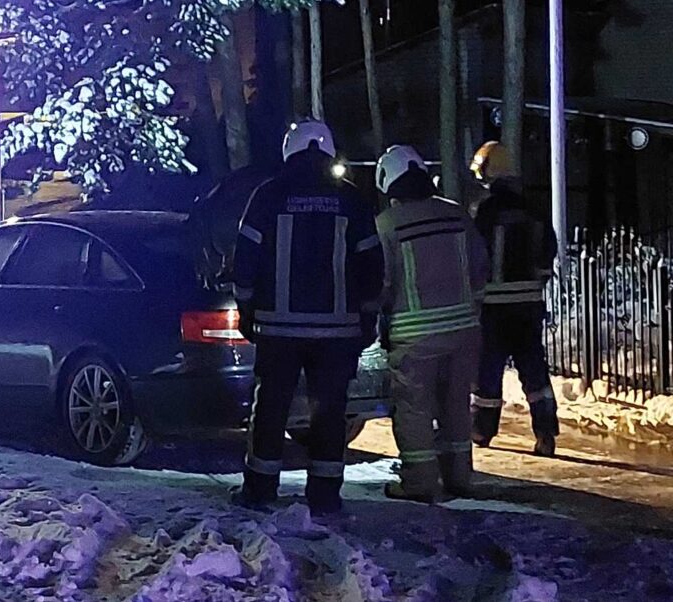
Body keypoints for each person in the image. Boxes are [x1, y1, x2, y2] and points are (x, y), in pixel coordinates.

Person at [231, 120, 383, 513]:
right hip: (337, 331)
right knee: (330, 411)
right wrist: (368, 315)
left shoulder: (268, 195)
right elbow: (371, 262)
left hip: (278, 329)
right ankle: (325, 495)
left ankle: (260, 489)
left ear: (290, 150)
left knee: (271, 408)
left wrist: (246, 308)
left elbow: (245, 258)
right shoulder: (350, 199)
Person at [374, 146, 489, 501]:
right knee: (456, 404)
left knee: (413, 408)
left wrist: (380, 318)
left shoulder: (386, 225)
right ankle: (459, 477)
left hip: (414, 336)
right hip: (463, 330)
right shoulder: (456, 215)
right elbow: (480, 267)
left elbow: (383, 282)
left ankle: (420, 482)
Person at [469, 141, 560, 457]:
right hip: (528, 306)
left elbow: (474, 254)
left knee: (488, 372)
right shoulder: (533, 207)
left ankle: (481, 430)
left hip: (493, 307)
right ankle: (546, 433)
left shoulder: (485, 211)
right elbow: (548, 248)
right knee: (534, 371)